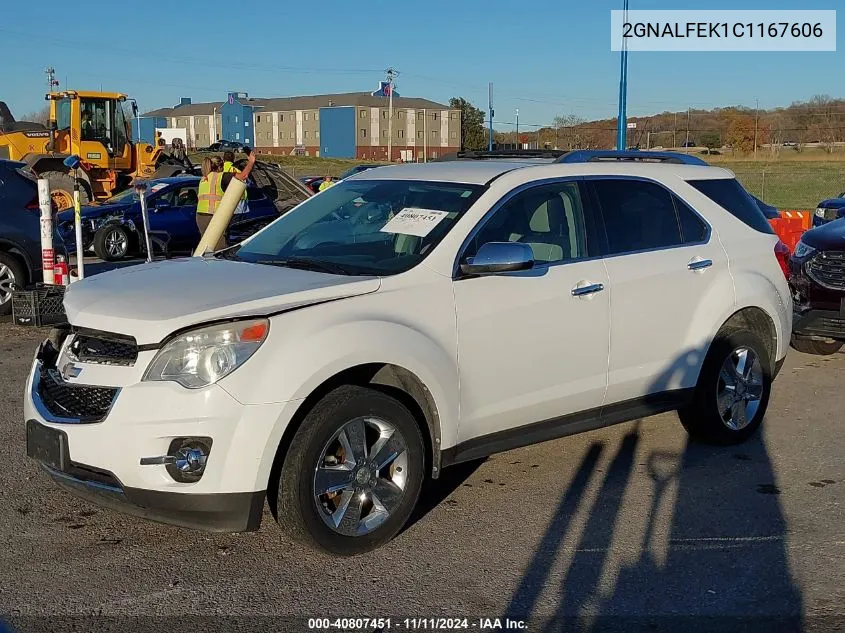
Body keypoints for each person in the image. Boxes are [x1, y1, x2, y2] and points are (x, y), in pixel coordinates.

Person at [196, 152, 256, 250]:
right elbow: (243, 176)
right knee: (219, 247)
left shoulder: (203, 178)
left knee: (205, 245)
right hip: (214, 216)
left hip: (200, 216)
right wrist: (251, 162)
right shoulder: (221, 176)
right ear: (220, 167)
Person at [222, 150, 249, 214]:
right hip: (239, 197)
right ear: (233, 159)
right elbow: (244, 179)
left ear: (223, 159)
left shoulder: (220, 168)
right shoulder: (237, 169)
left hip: (224, 197)